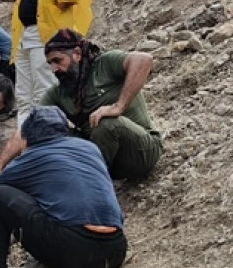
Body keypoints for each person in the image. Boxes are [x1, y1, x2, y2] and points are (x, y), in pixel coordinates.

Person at [0, 106, 126, 268]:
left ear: (26, 139)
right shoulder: (89, 148)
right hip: (115, 250)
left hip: (73, 251)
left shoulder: (29, 159)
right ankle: (44, 263)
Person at [37, 29, 163, 179]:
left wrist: (118, 106)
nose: (54, 69)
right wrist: (2, 166)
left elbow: (144, 60)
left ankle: (89, 184)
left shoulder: (105, 64)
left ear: (77, 54)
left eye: (58, 61)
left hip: (140, 154)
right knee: (52, 133)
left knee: (107, 124)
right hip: (107, 160)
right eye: (50, 63)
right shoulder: (58, 92)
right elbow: (34, 123)